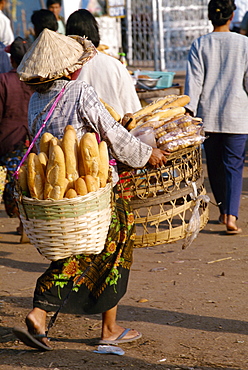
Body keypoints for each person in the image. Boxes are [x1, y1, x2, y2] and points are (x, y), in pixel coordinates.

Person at [13, 28, 168, 351]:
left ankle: (56, 316)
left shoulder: (36, 100)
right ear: (69, 68)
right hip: (93, 191)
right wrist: (145, 154)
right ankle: (77, 320)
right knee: (109, 248)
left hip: (63, 196)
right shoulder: (79, 91)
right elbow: (110, 133)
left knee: (83, 251)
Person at [184, 0, 248, 234]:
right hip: (237, 116)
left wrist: (188, 111)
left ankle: (223, 212)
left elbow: (194, 83)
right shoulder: (245, 44)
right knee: (233, 165)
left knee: (214, 166)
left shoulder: (200, 44)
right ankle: (231, 216)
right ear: (232, 17)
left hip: (208, 116)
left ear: (211, 17)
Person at [66, 9, 142, 118]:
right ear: (95, 32)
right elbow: (133, 110)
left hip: (76, 133)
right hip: (117, 131)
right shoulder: (115, 65)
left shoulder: (64, 69)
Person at [0, 37, 33, 235]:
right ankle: (24, 226)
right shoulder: (37, 81)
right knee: (28, 184)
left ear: (12, 60)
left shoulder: (3, 81)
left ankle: (23, 225)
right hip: (33, 142)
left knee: (15, 183)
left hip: (8, 143)